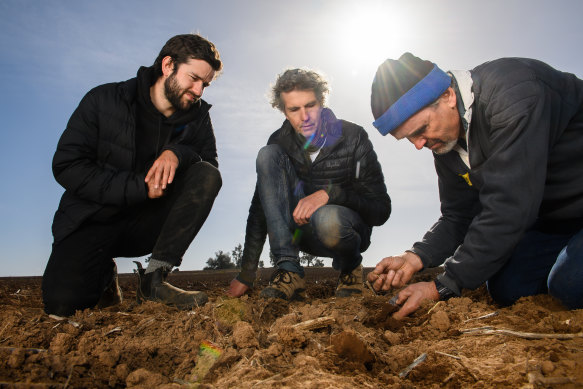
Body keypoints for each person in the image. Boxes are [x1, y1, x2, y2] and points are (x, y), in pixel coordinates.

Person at [368, 52, 583, 318]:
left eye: (421, 129)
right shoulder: (445, 143)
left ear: (448, 95)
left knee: (570, 284)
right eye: (409, 139)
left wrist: (444, 286)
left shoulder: (514, 93)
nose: (419, 144)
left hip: (565, 204)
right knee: (509, 288)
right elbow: (458, 214)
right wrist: (415, 257)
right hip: (555, 220)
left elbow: (509, 206)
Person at [42, 34, 223, 316]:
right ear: (167, 66)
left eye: (205, 84)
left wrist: (177, 152)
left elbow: (208, 165)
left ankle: (154, 280)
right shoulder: (103, 99)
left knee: (206, 175)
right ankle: (103, 274)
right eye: (193, 78)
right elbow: (67, 165)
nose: (199, 91)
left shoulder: (197, 117)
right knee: (63, 305)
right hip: (92, 219)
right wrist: (139, 187)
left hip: (147, 222)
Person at [228, 68, 391, 300]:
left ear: (322, 103)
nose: (304, 117)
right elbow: (260, 208)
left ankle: (350, 268)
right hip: (299, 231)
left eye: (310, 106)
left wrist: (329, 194)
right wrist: (247, 273)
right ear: (284, 112)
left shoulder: (354, 136)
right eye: (294, 109)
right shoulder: (278, 142)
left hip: (345, 230)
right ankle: (289, 271)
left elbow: (381, 211)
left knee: (327, 219)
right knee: (267, 154)